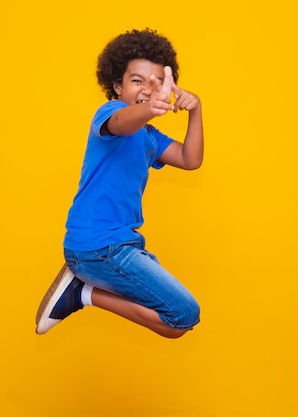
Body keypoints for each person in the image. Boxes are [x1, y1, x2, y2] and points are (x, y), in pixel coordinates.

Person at [35, 28, 204, 338]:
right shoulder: (111, 113)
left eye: (155, 82)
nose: (146, 89)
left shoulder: (150, 137)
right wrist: (148, 109)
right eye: (137, 81)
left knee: (177, 325)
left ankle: (81, 290)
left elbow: (190, 159)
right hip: (98, 247)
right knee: (183, 313)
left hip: (121, 245)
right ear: (117, 85)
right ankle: (84, 293)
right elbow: (123, 124)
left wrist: (196, 111)